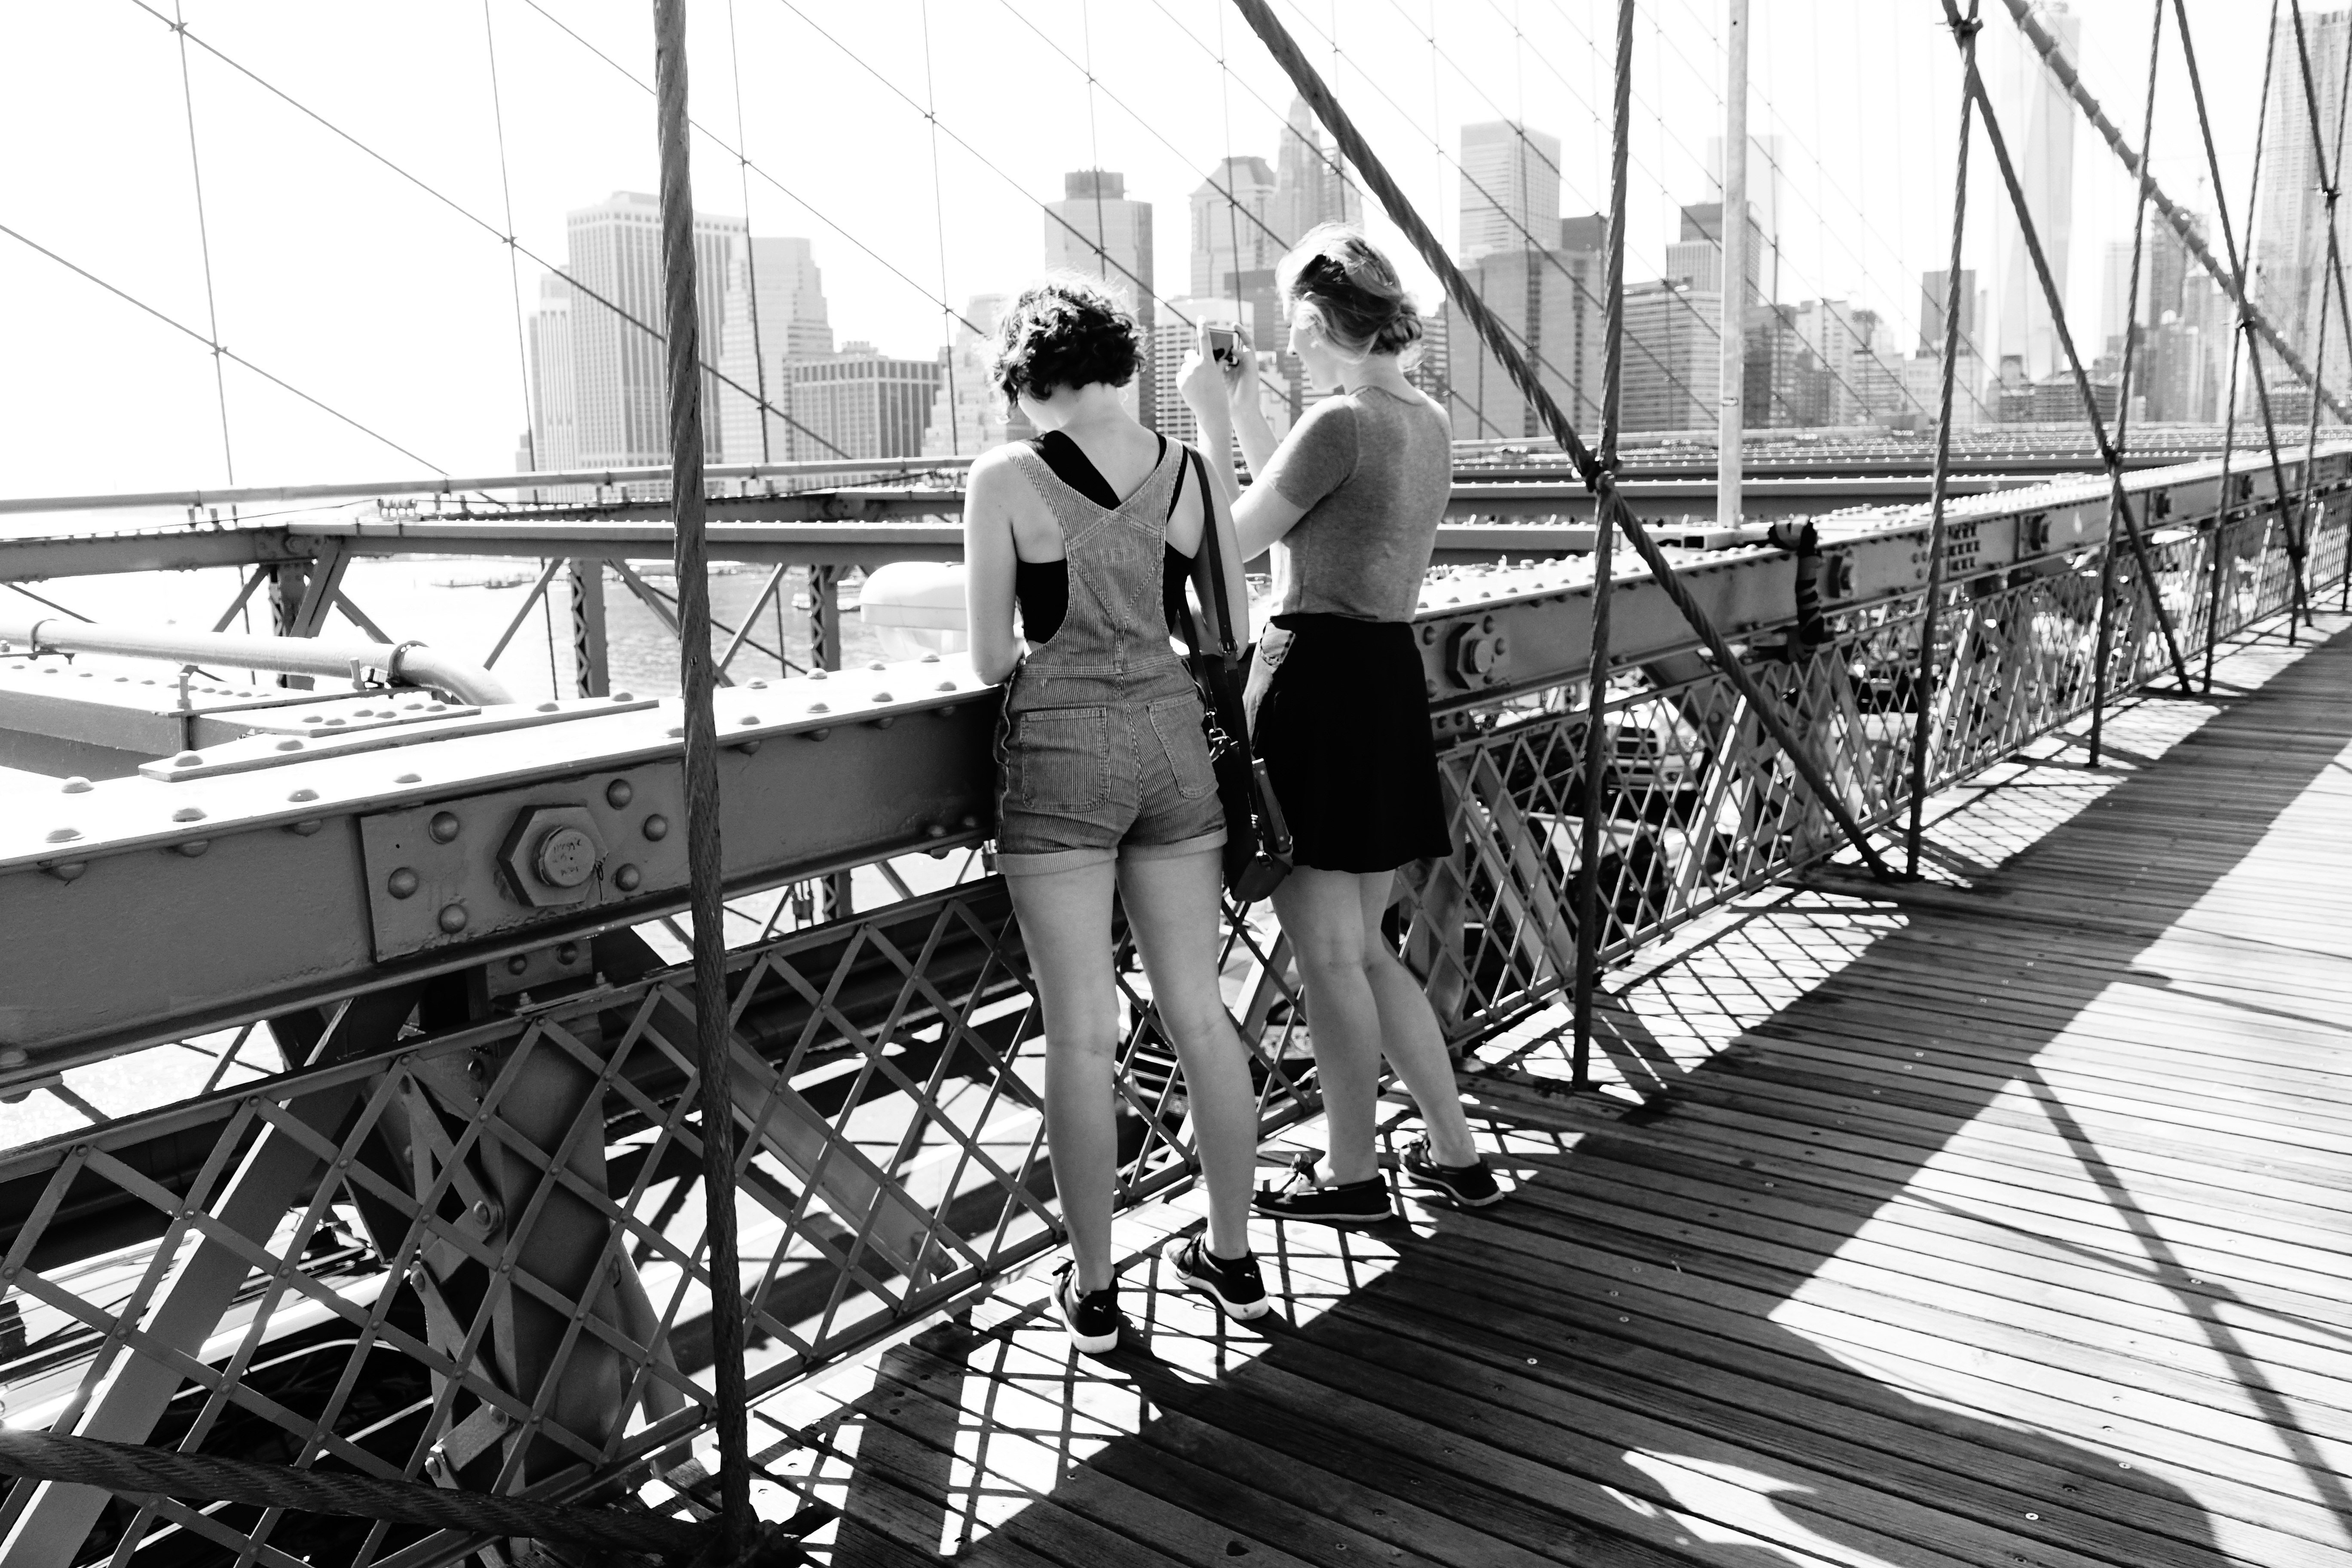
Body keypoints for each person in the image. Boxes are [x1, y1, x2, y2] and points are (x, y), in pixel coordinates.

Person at [964, 276, 1272, 1355]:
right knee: (1198, 1012)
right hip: (1177, 750)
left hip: (1061, 758)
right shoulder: (1188, 469)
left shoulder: (1007, 476)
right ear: (1124, 367)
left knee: (1081, 1035)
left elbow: (991, 656)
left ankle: (1095, 1293)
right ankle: (1232, 1261)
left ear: (1028, 383)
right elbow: (1229, 623)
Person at [1178, 225, 1502, 1224]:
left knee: (1327, 954)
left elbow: (1225, 548)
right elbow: (1313, 513)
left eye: (1294, 326)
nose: (1285, 345)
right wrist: (1238, 414)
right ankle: (1455, 1153)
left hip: (1315, 679)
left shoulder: (1339, 423)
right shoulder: (1423, 420)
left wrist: (1200, 417)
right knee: (1362, 946)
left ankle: (1353, 1181)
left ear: (1322, 320)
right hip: (1384, 681)